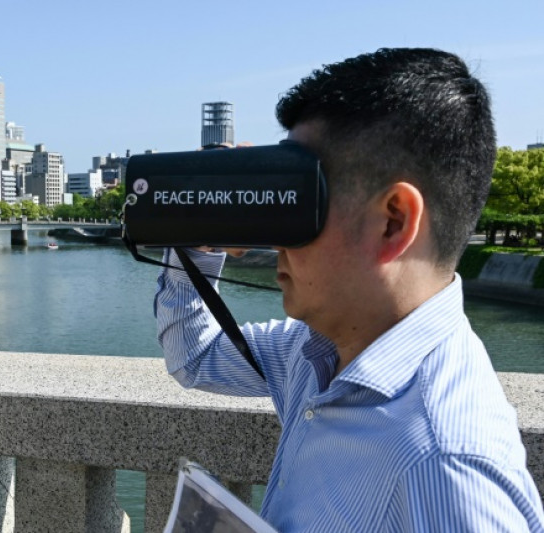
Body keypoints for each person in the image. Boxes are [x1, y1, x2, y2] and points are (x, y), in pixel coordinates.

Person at [154, 48, 544, 531]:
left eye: (298, 202)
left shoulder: (445, 467)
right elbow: (196, 355)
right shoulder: (319, 350)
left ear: (393, 221)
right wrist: (201, 231)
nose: (276, 238)